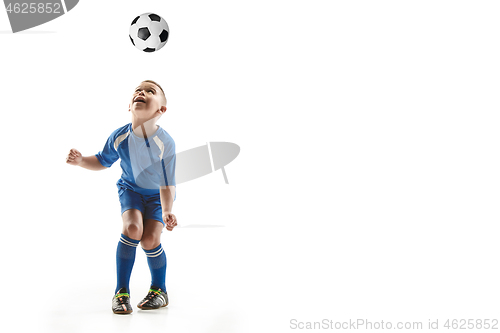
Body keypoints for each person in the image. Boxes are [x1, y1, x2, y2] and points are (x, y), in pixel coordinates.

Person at [66, 80, 177, 314]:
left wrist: (167, 210)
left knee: (149, 240)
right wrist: (80, 161)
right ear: (129, 106)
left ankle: (159, 290)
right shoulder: (120, 136)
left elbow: (167, 183)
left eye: (150, 91)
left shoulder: (164, 142)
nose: (141, 92)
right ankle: (121, 291)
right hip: (131, 191)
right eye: (138, 90)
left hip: (158, 197)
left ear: (161, 110)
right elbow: (102, 160)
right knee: (132, 229)